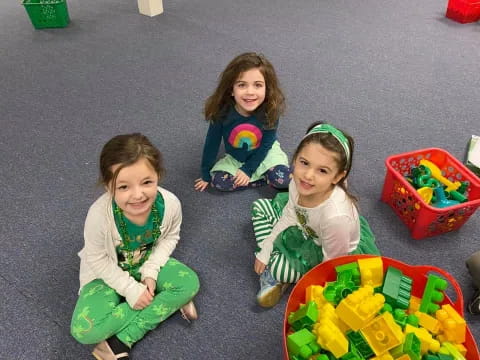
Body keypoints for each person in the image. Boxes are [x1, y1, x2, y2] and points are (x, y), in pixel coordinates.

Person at [71, 134, 200, 360]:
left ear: (158, 175)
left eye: (147, 182)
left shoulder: (170, 204)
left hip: (145, 262)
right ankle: (165, 301)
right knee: (84, 330)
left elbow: (170, 237)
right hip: (106, 273)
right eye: (123, 187)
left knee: (189, 283)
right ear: (108, 186)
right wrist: (131, 290)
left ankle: (123, 339)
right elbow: (98, 259)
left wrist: (150, 271)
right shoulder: (99, 216)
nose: (138, 195)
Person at [251, 122, 380, 307]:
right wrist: (266, 249)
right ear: (295, 159)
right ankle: (278, 260)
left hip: (327, 253)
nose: (308, 175)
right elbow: (290, 215)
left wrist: (315, 298)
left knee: (279, 269)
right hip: (306, 227)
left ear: (337, 177)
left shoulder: (336, 218)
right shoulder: (298, 182)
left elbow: (331, 266)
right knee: (260, 207)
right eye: (304, 163)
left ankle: (278, 275)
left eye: (322, 170)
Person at [194, 52, 291, 192]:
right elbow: (211, 144)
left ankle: (257, 176)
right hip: (236, 157)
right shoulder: (222, 113)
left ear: (267, 88)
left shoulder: (270, 110)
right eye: (242, 85)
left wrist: (248, 170)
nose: (250, 92)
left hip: (265, 154)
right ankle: (263, 178)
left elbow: (266, 144)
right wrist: (205, 174)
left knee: (284, 180)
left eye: (258, 85)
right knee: (219, 182)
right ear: (231, 90)